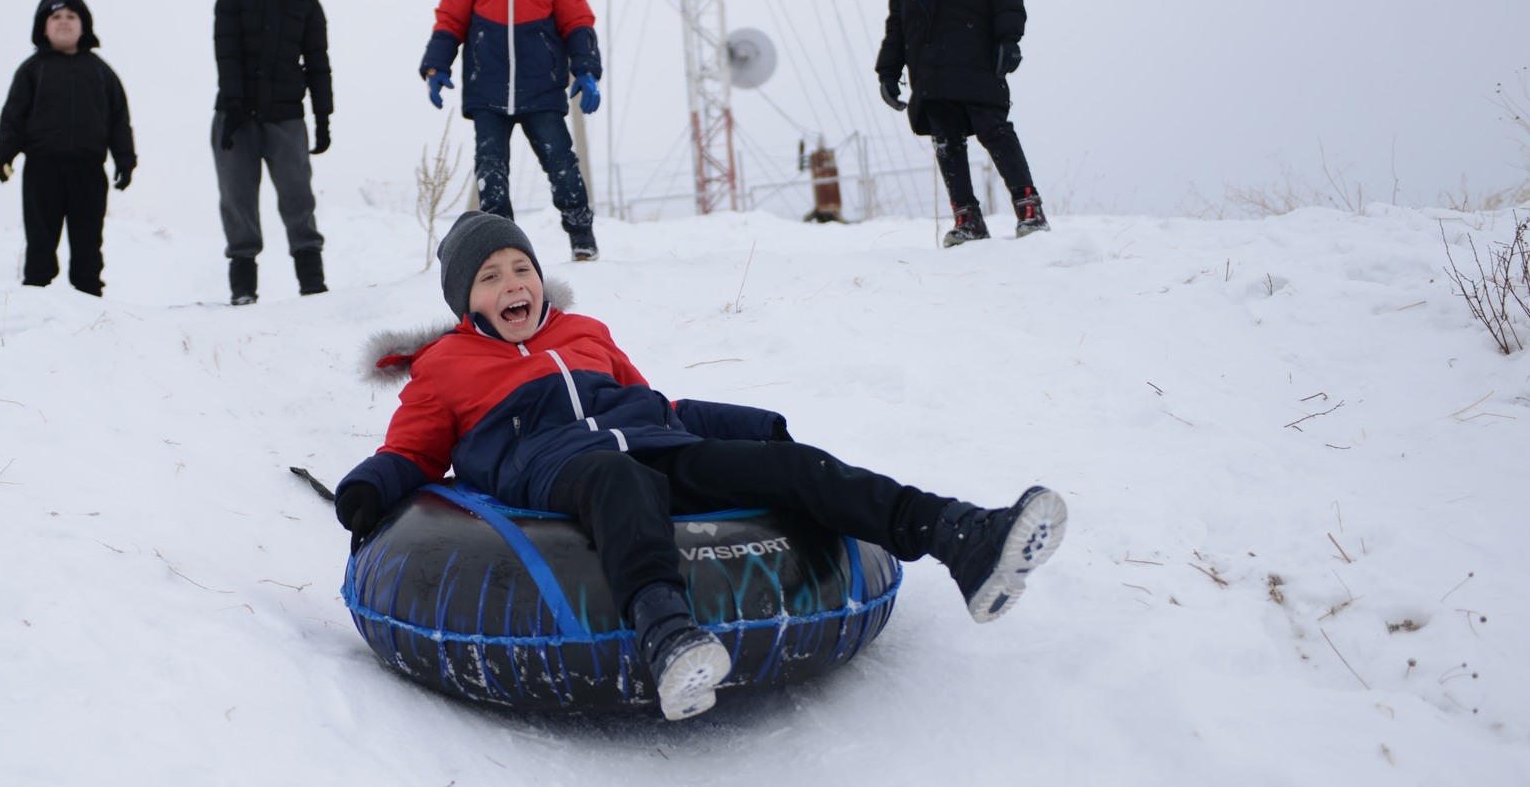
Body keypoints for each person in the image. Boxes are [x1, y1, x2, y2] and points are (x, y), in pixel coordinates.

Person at [333, 211, 1068, 720]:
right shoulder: (446, 364)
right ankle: (666, 633)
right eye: (490, 276)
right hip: (558, 468)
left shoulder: (585, 331)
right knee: (620, 483)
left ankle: (960, 534)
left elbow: (657, 405)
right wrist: (372, 486)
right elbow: (414, 447)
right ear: (466, 299)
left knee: (797, 468)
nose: (513, 285)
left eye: (521, 267)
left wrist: (751, 430)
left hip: (653, 443)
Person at [419, 0, 602, 262]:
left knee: (562, 164)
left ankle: (582, 238)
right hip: (487, 86)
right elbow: (450, 18)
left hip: (542, 86)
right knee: (491, 174)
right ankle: (501, 251)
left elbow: (577, 21)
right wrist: (436, 66)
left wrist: (586, 69)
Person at [875, 0, 1051, 247]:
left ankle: (1029, 209)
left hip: (974, 54)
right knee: (945, 138)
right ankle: (967, 218)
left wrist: (1009, 37)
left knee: (994, 128)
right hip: (928, 66)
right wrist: (888, 70)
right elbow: (898, 21)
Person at [212, 0, 333, 305]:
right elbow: (226, 51)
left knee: (298, 196)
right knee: (238, 198)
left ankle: (312, 282)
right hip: (237, 115)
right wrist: (232, 106)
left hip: (285, 116)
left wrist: (322, 117)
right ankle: (243, 287)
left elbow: (318, 62)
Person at [0, 0, 137, 296]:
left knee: (88, 238)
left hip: (88, 169)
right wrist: (5, 153)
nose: (63, 22)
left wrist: (125, 160)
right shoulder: (32, 70)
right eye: (55, 16)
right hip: (42, 169)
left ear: (84, 26)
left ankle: (89, 297)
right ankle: (34, 293)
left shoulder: (101, 71)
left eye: (72, 16)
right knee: (40, 238)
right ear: (42, 27)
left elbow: (119, 120)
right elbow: (13, 115)